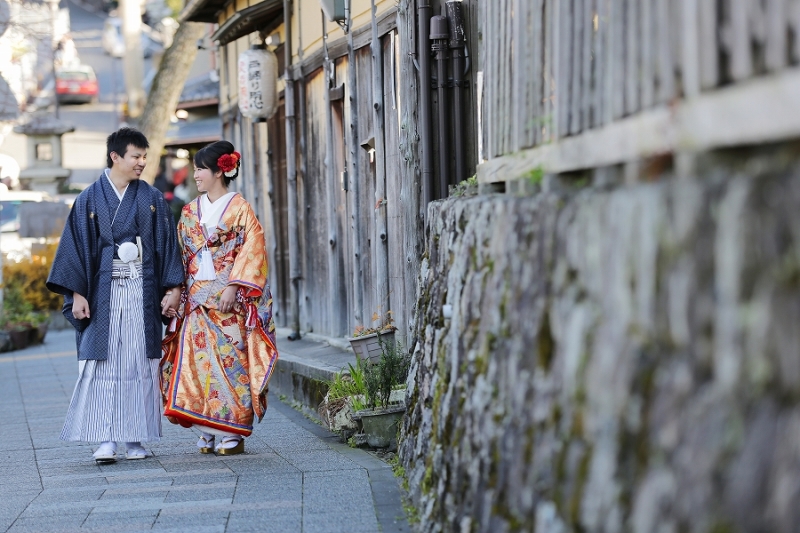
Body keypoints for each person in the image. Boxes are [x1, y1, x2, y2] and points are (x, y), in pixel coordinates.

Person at [47, 127, 184, 464]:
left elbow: (167, 245)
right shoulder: (89, 199)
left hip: (142, 290)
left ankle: (135, 438)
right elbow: (75, 248)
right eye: (136, 156)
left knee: (140, 362)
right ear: (116, 156)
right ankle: (105, 438)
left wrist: (175, 288)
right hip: (101, 293)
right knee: (102, 364)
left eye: (143, 157)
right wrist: (78, 294)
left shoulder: (151, 198)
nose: (141, 163)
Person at [161, 140, 278, 455]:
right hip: (196, 297)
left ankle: (231, 429)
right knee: (198, 363)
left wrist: (232, 287)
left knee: (231, 362)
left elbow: (254, 249)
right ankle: (205, 427)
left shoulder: (239, 208)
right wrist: (175, 291)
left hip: (228, 297)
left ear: (218, 171)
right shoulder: (189, 211)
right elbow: (180, 254)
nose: (195, 175)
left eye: (200, 169)